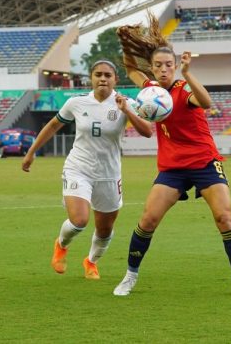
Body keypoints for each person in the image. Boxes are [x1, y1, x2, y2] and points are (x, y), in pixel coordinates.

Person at [112, 13, 231, 298]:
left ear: (176, 66)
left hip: (204, 161)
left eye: (169, 65)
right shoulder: (150, 91)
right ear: (152, 69)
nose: (163, 69)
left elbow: (206, 102)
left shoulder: (182, 91)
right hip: (172, 167)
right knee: (148, 220)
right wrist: (126, 41)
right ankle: (129, 277)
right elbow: (130, 68)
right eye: (158, 66)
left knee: (225, 218)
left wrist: (189, 74)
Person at [21, 60, 152, 280]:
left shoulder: (126, 103)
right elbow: (53, 125)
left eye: (107, 75)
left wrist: (127, 110)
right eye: (98, 74)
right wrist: (32, 151)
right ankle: (61, 245)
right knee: (79, 220)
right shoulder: (76, 102)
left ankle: (91, 262)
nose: (103, 79)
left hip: (109, 173)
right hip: (78, 167)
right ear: (91, 78)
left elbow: (148, 131)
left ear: (115, 80)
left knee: (104, 230)